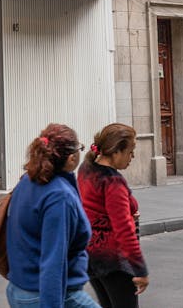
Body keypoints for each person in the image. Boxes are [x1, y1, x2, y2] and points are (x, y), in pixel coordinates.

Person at [5, 124, 99, 308]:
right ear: (71, 158)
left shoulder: (27, 181)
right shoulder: (59, 197)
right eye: (80, 148)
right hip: (46, 295)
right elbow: (53, 262)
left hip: (19, 289)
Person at [78, 123, 149, 308]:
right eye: (130, 152)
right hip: (113, 259)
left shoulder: (86, 169)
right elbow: (124, 230)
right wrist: (140, 269)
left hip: (91, 254)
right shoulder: (112, 182)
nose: (132, 157)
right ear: (116, 151)